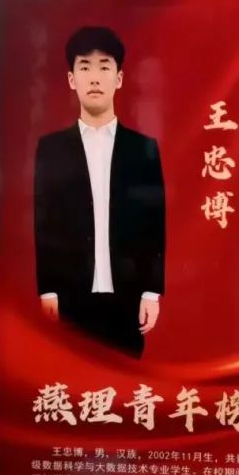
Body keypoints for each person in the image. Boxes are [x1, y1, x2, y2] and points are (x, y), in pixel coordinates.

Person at [34, 26, 165, 359]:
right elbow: (44, 221)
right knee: (72, 375)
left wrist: (151, 292)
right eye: (84, 67)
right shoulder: (51, 149)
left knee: (124, 379)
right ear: (71, 79)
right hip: (71, 292)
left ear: (118, 79)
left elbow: (154, 223)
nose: (94, 77)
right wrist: (47, 289)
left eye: (104, 67)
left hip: (127, 292)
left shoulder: (143, 149)